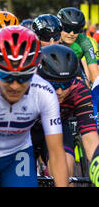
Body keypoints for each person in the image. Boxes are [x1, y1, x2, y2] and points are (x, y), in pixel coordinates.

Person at [0, 25, 69, 187]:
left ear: (35, 71)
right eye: (7, 76)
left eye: (23, 77)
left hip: (17, 155)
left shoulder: (44, 92)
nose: (14, 86)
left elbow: (57, 153)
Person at [32, 44, 99, 183]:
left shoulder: (79, 90)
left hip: (58, 128)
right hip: (26, 132)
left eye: (65, 84)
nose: (60, 91)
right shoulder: (28, 87)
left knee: (66, 174)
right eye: (54, 85)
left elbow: (90, 138)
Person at [57, 7, 98, 84]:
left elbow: (94, 72)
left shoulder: (84, 40)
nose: (72, 34)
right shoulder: (52, 37)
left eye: (76, 30)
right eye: (67, 29)